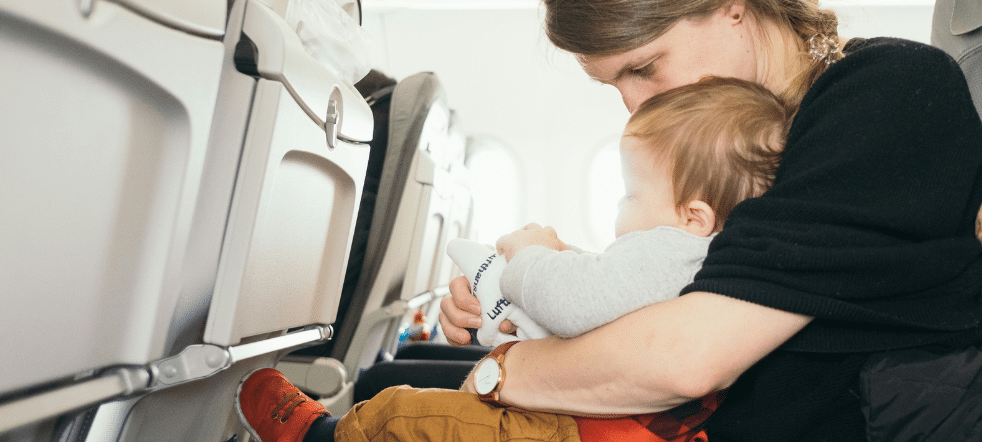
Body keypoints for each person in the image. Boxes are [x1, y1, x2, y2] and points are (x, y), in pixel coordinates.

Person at [435, 0, 982, 441]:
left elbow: (684, 360)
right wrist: (535, 289)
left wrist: (504, 370)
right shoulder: (723, 139)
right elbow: (699, 282)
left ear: (733, 5)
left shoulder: (890, 92)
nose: (634, 105)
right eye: (614, 83)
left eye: (645, 67)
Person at [236, 76, 791, 442]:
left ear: (694, 215)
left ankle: (322, 436)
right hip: (600, 419)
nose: (622, 209)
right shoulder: (711, 255)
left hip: (576, 430)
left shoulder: (672, 248)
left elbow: (577, 303)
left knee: (408, 413)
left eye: (630, 195)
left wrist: (531, 255)